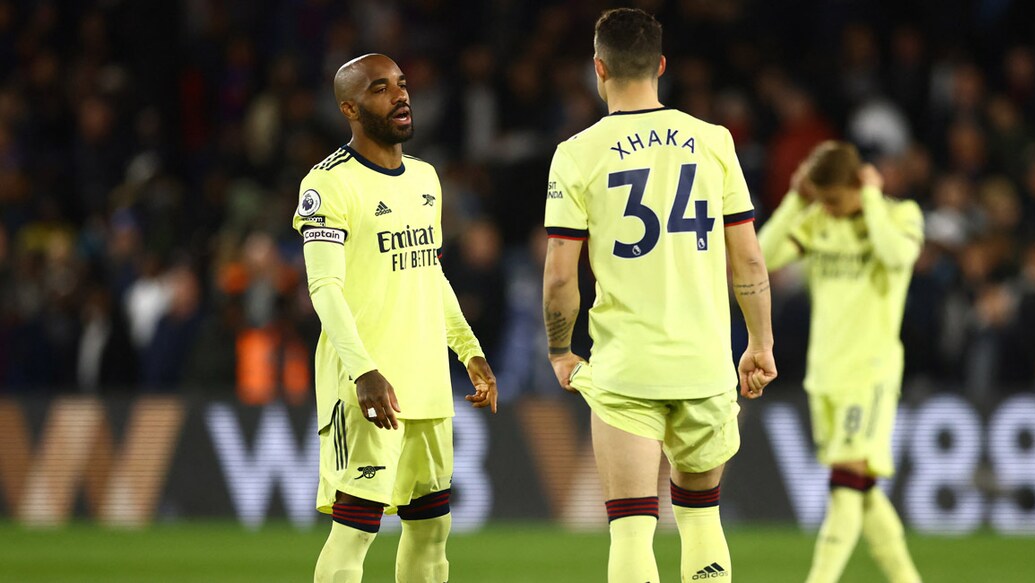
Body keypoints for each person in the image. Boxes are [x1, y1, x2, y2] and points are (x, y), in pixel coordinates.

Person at [541, 8, 778, 582]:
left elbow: (559, 279)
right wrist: (760, 342)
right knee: (700, 520)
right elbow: (747, 257)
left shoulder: (578, 153)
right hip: (703, 365)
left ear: (598, 68)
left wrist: (559, 349)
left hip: (628, 369)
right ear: (661, 66)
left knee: (631, 526)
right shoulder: (713, 141)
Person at [293, 53, 498, 583]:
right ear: (351, 108)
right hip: (367, 388)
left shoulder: (426, 179)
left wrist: (469, 350)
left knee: (431, 531)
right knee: (356, 529)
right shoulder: (327, 185)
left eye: (402, 85)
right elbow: (324, 289)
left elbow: (430, 274)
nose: (400, 96)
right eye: (381, 89)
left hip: (427, 385)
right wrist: (363, 370)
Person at [758, 141, 923, 583]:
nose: (828, 209)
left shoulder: (899, 216)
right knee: (862, 489)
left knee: (845, 479)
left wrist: (870, 198)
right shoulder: (816, 221)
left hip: (869, 368)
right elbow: (763, 256)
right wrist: (796, 199)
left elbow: (898, 256)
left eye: (834, 199)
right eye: (821, 199)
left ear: (857, 184)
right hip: (825, 371)